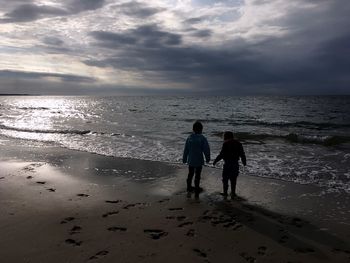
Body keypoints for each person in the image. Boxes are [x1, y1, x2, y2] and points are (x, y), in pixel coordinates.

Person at [213, 131, 246, 198]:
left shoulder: (225, 144)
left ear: (225, 137)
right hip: (235, 164)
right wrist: (244, 161)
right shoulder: (239, 143)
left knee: (225, 179)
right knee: (233, 179)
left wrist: (215, 161)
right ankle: (233, 193)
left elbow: (221, 155)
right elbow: (242, 154)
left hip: (227, 164)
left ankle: (225, 192)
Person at [183, 121, 210, 197]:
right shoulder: (202, 138)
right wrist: (208, 158)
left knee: (190, 174)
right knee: (197, 175)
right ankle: (196, 187)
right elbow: (206, 149)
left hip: (191, 160)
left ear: (193, 129)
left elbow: (186, 150)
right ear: (201, 129)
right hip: (199, 160)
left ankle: (189, 187)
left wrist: (184, 159)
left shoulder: (189, 138)